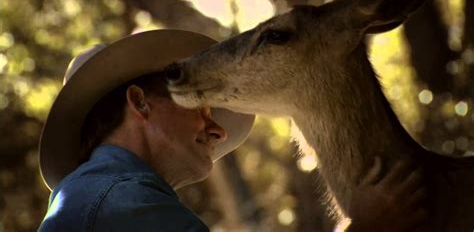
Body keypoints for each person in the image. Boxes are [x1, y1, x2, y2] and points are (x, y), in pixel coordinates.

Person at [38, 29, 426, 231]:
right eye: (200, 107)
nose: (218, 132)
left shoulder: (99, 196)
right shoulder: (121, 200)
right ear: (139, 103)